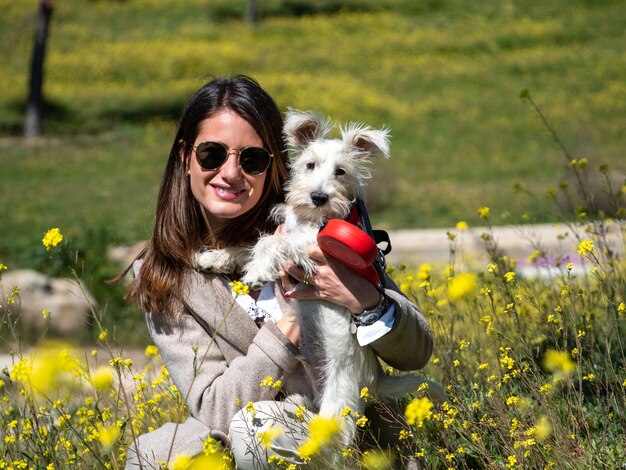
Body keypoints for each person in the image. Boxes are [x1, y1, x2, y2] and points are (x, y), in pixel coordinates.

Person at [120, 75, 434, 469]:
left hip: (348, 421)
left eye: (251, 159)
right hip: (269, 431)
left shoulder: (325, 230)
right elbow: (213, 409)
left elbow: (417, 351)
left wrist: (365, 301)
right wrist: (288, 327)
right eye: (212, 154)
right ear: (186, 157)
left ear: (275, 164)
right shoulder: (166, 278)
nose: (231, 173)